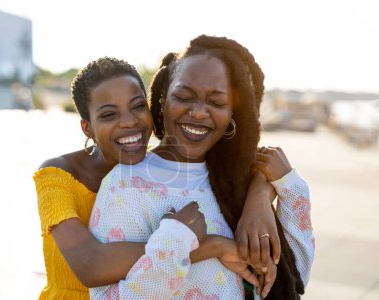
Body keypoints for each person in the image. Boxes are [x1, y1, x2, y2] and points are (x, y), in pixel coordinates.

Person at [34, 57, 283, 299]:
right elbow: (90, 265)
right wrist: (208, 245)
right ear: (87, 128)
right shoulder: (57, 175)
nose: (130, 122)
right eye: (109, 115)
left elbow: (258, 164)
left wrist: (259, 196)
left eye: (138, 106)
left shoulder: (157, 167)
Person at [88, 35, 314, 299]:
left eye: (217, 102)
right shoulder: (126, 185)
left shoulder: (238, 182)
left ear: (232, 113)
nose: (198, 112)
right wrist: (177, 240)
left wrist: (283, 185)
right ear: (163, 100)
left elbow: (294, 275)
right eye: (184, 96)